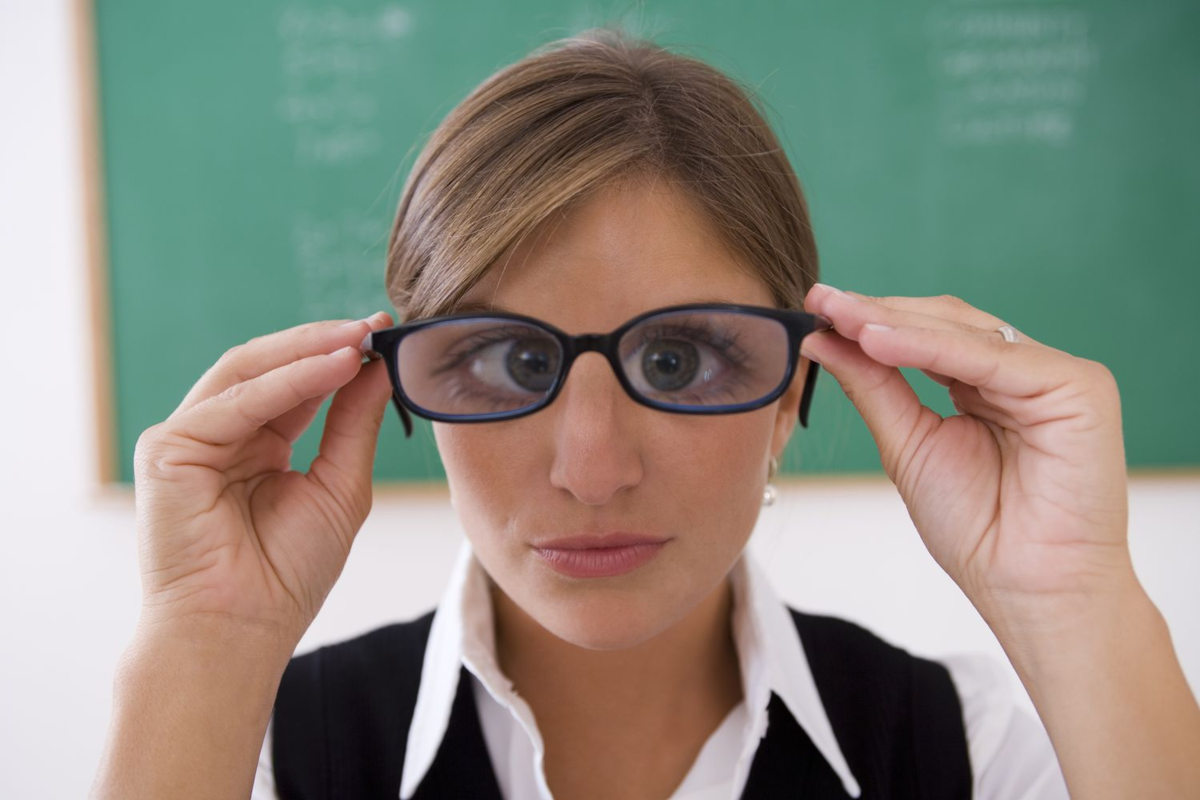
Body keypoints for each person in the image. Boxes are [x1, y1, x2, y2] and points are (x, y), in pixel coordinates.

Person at [91, 27, 1200, 800]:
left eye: (676, 358)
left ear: (792, 389)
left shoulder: (969, 749)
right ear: (408, 387)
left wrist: (1075, 599)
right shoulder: (255, 755)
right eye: (510, 358)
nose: (592, 466)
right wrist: (205, 641)